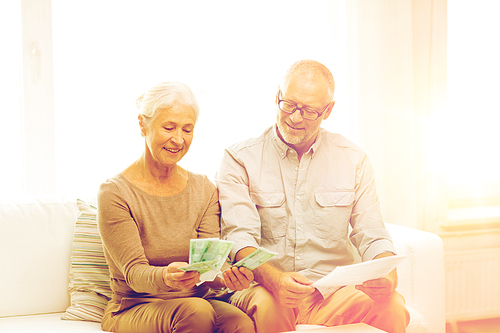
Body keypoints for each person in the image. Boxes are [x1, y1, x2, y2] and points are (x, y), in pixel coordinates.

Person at [215, 60, 410, 333]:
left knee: (392, 306)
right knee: (272, 306)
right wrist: (276, 281)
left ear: (328, 111)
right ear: (277, 96)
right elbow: (239, 238)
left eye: (308, 111)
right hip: (266, 290)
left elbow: (372, 233)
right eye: (289, 105)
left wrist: (388, 277)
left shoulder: (352, 159)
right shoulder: (239, 158)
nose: (295, 118)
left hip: (330, 293)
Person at [97, 82, 255, 333]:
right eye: (169, 127)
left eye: (188, 129)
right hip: (135, 305)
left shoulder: (203, 188)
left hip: (195, 302)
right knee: (197, 312)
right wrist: (165, 277)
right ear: (142, 124)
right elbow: (133, 273)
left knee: (241, 323)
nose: (179, 139)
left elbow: (208, 267)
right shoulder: (115, 192)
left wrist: (226, 277)